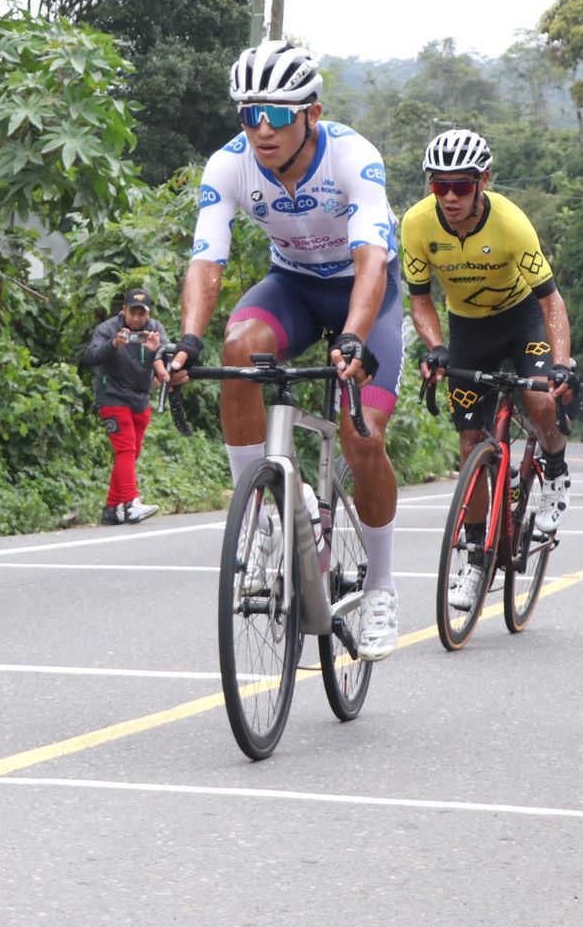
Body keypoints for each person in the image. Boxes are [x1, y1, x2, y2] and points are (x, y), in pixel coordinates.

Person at [167, 40, 404, 662]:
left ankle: (379, 587)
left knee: (363, 435)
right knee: (238, 346)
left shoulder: (354, 157)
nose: (261, 129)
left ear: (312, 114)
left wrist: (354, 336)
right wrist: (189, 337)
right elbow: (206, 258)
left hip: (365, 294)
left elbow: (371, 258)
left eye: (276, 114)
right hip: (294, 287)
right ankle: (265, 516)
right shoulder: (229, 164)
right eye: (249, 114)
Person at [402, 129, 575, 612]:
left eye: (461, 186)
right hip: (469, 329)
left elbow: (552, 303)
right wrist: (436, 348)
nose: (451, 197)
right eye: (440, 187)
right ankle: (474, 554)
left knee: (540, 399)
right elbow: (420, 300)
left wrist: (559, 367)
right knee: (469, 444)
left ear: (484, 182)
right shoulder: (416, 225)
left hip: (523, 320)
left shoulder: (512, 224)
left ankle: (557, 467)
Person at [84, 287, 169, 525]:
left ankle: (112, 509)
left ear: (148, 314)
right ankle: (131, 503)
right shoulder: (108, 328)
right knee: (125, 450)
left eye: (142, 314)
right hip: (112, 396)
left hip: (141, 398)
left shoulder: (155, 329)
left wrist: (157, 352)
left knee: (132, 454)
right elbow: (90, 357)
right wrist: (113, 344)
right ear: (124, 310)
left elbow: (170, 356)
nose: (137, 318)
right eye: (132, 312)